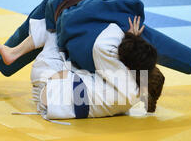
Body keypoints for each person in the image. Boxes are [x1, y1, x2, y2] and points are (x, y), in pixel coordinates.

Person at [0, 0, 191, 91]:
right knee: (43, 31)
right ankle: (5, 60)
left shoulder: (109, 48)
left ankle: (3, 62)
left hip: (71, 4)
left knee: (40, 30)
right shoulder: (113, 43)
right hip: (73, 3)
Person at [17, 17, 164, 120]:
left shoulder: (126, 83)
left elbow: (101, 46)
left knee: (52, 28)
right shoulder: (130, 98)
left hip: (47, 83)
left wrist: (130, 36)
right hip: (52, 102)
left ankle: (14, 52)